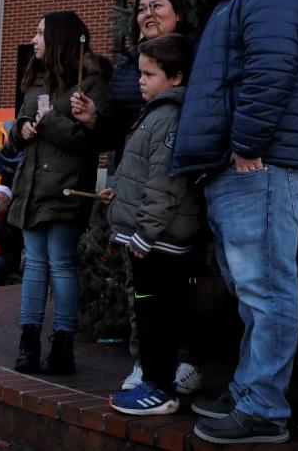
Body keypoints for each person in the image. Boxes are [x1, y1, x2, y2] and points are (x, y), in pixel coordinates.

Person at [170, 0, 298, 445]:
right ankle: (249, 392)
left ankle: (263, 409)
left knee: (264, 287)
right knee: (253, 287)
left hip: (262, 164)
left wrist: (246, 146)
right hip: (249, 165)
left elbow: (270, 68)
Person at [71, 0, 202, 394]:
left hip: (172, 187)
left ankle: (179, 364)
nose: (148, 13)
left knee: (175, 284)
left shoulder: (194, 60)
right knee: (140, 284)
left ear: (177, 12)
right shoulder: (130, 64)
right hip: (135, 176)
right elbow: (118, 126)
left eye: (157, 5)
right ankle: (146, 362)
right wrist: (95, 120)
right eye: (141, 7)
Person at [103, 33, 202, 416]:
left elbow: (165, 183)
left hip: (157, 244)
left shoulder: (169, 118)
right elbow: (144, 177)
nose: (140, 81)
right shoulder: (158, 113)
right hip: (150, 240)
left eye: (149, 74)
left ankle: (159, 389)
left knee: (155, 317)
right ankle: (154, 382)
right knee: (149, 314)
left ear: (175, 77)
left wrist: (144, 233)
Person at [9, 11, 110, 375]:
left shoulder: (90, 82)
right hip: (32, 187)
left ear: (59, 38)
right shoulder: (36, 80)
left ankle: (63, 344)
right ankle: (29, 341)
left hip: (66, 188)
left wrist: (50, 121)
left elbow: (91, 140)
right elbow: (20, 121)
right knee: (34, 266)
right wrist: (20, 129)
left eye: (40, 34)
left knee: (61, 265)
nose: (34, 40)